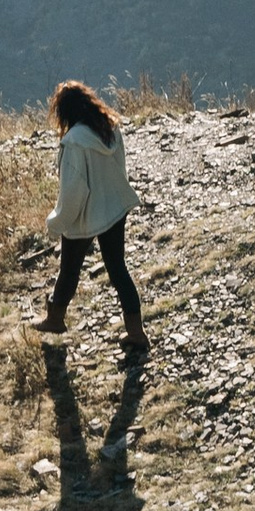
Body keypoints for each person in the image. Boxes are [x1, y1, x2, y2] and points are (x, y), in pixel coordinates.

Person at [32, 78, 147, 350]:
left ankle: (55, 319)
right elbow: (121, 168)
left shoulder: (74, 142)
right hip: (113, 207)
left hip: (85, 213)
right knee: (118, 269)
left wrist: (57, 222)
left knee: (69, 269)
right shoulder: (109, 127)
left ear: (65, 111)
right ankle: (136, 332)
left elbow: (73, 191)